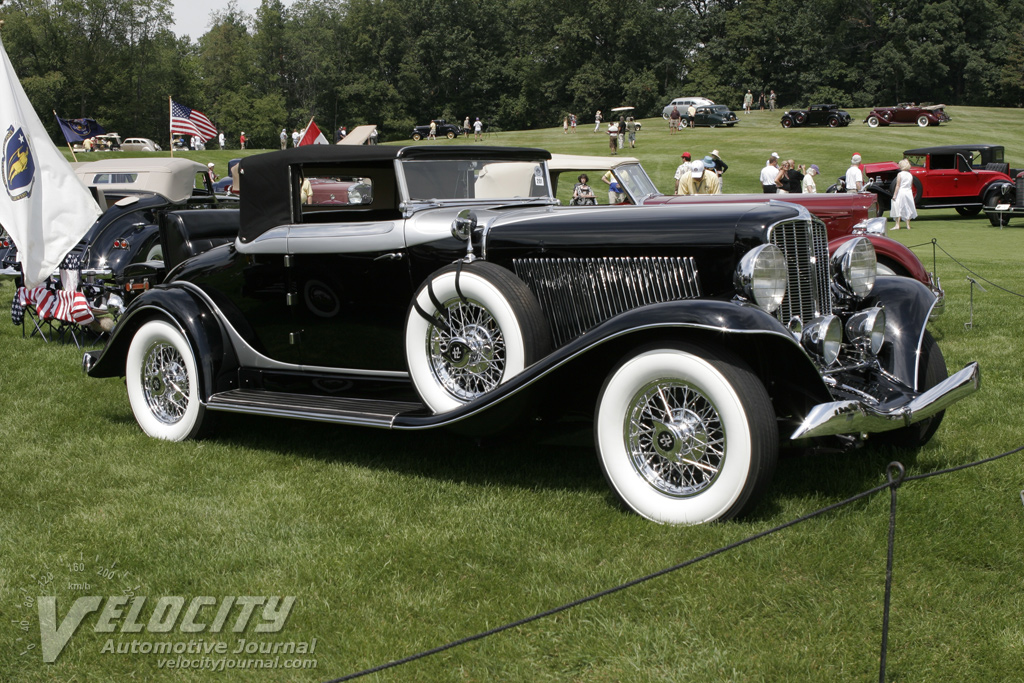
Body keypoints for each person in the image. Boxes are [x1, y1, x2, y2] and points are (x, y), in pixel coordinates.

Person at [890, 159, 918, 229]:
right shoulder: (910, 175)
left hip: (901, 191)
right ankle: (908, 225)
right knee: (908, 207)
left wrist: (894, 195)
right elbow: (911, 185)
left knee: (898, 207)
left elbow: (898, 185)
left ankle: (897, 224)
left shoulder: (900, 174)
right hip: (908, 192)